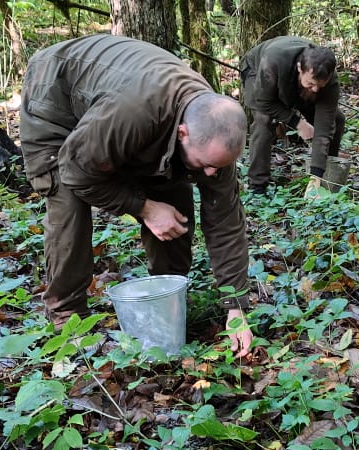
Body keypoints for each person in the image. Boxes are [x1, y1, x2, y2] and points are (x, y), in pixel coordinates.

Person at [17, 34, 253, 357]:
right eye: (207, 165)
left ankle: (167, 299)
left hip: (118, 116)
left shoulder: (213, 130)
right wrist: (143, 207)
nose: (212, 174)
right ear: (182, 134)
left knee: (172, 197)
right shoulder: (136, 112)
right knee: (68, 205)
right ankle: (67, 321)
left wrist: (236, 306)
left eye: (219, 167)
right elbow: (74, 169)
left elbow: (225, 221)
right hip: (56, 95)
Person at [239, 36, 346, 195]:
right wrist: (298, 123)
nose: (316, 90)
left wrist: (316, 175)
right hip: (258, 70)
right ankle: (257, 186)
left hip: (293, 86)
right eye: (311, 84)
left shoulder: (329, 82)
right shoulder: (274, 61)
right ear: (299, 68)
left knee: (337, 119)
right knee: (263, 121)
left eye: (320, 85)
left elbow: (324, 127)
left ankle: (325, 177)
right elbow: (263, 101)